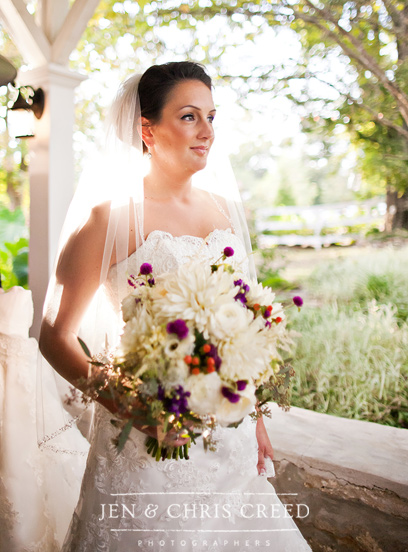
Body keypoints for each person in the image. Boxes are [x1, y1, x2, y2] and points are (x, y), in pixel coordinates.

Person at [39, 61, 312, 551]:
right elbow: (54, 336)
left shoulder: (225, 210)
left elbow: (243, 325)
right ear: (148, 129)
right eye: (189, 116)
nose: (207, 131)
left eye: (211, 116)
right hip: (148, 448)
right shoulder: (108, 220)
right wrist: (134, 407)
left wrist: (257, 422)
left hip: (231, 441)